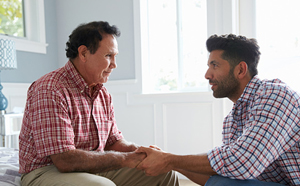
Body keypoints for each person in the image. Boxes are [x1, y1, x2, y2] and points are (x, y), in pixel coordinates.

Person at [19, 21, 178, 186]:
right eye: (109, 56)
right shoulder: (50, 89)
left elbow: (113, 142)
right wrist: (126, 159)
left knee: (164, 173)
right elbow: (64, 160)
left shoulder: (102, 93)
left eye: (115, 56)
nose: (114, 64)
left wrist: (142, 152)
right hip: (46, 171)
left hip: (91, 166)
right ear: (83, 53)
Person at [135, 34, 300, 186]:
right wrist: (167, 161)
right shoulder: (232, 120)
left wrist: (169, 160)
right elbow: (225, 174)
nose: (207, 74)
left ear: (241, 70)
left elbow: (242, 162)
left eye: (215, 65)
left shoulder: (275, 95)